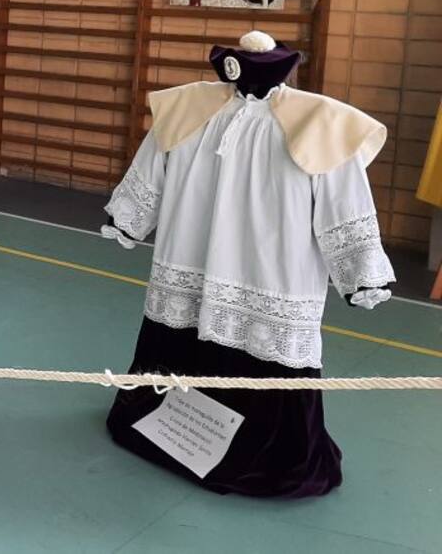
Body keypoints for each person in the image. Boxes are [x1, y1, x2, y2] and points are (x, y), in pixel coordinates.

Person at [101, 31, 395, 496]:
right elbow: (149, 170)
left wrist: (359, 271)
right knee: (180, 334)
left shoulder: (321, 123)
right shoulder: (187, 108)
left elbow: (344, 201)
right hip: (192, 259)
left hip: (269, 270)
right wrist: (130, 219)